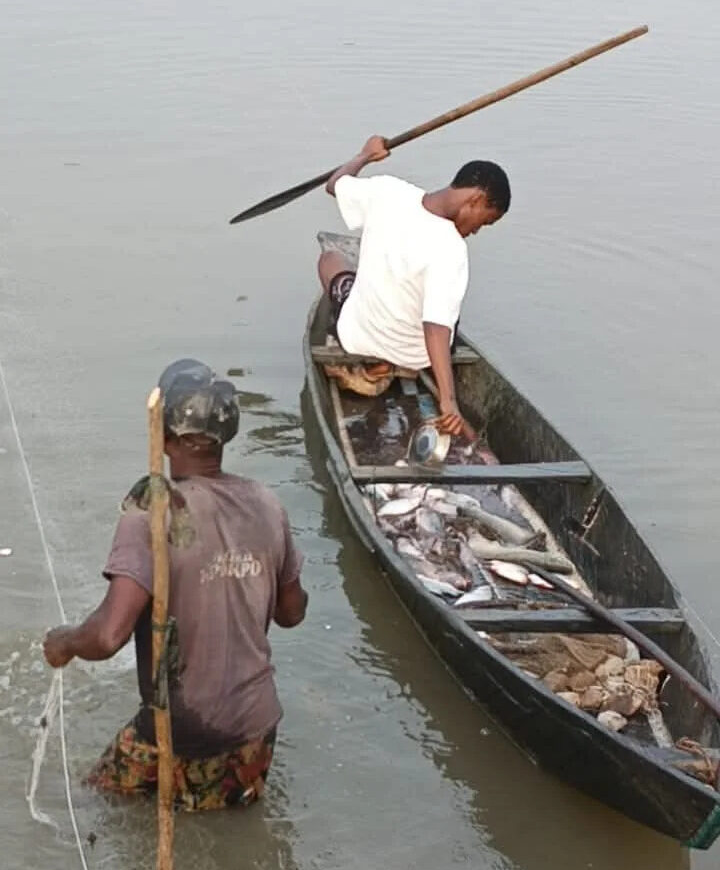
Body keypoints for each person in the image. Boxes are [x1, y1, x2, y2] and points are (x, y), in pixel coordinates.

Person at [43, 358, 307, 811]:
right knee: (225, 823)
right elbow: (292, 613)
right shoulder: (267, 504)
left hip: (179, 732)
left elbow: (108, 636)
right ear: (227, 434)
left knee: (87, 803)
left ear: (162, 436)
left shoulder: (153, 509)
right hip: (258, 732)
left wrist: (64, 642)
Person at [318, 135, 511, 437]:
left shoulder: (388, 191)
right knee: (448, 309)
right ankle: (390, 365)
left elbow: (335, 184)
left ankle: (378, 364)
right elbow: (436, 327)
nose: (475, 231)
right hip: (416, 355)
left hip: (357, 337)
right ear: (475, 200)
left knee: (329, 260)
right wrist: (448, 402)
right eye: (483, 222)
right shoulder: (451, 250)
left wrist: (365, 155)